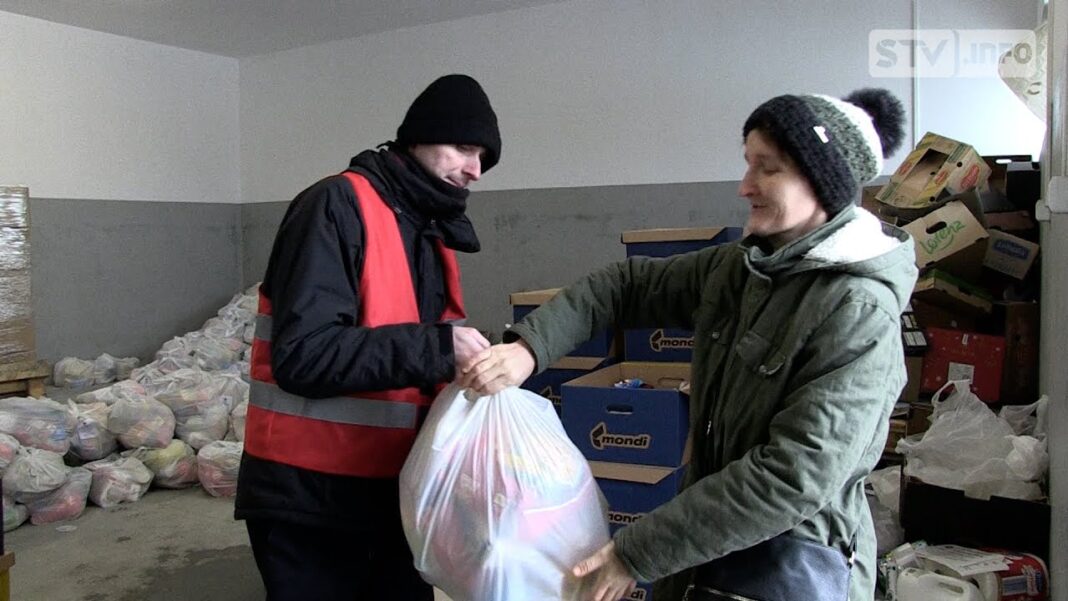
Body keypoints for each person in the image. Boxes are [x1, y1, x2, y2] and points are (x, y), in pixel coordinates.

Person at [460, 88, 913, 601]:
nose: (745, 186)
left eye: (768, 168)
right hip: (703, 551)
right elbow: (624, 287)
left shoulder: (856, 311)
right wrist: (529, 347)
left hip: (788, 569)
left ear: (821, 180)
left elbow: (792, 476)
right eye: (747, 165)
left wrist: (635, 553)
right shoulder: (742, 269)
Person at [235, 74, 502, 601]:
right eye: (465, 149)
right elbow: (302, 356)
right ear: (420, 137)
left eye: (483, 160)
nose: (475, 170)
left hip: (390, 491)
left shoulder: (426, 226)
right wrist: (438, 350)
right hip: (309, 496)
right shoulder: (334, 206)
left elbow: (415, 356)